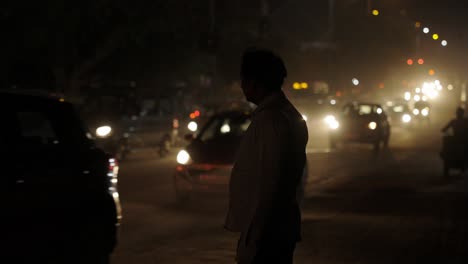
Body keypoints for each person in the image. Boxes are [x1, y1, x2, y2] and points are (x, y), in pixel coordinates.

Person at [225, 48, 308, 264]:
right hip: (275, 228)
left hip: (266, 232)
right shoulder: (286, 114)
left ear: (255, 82)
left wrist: (255, 234)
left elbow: (269, 182)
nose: (242, 86)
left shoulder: (270, 120)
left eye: (244, 79)